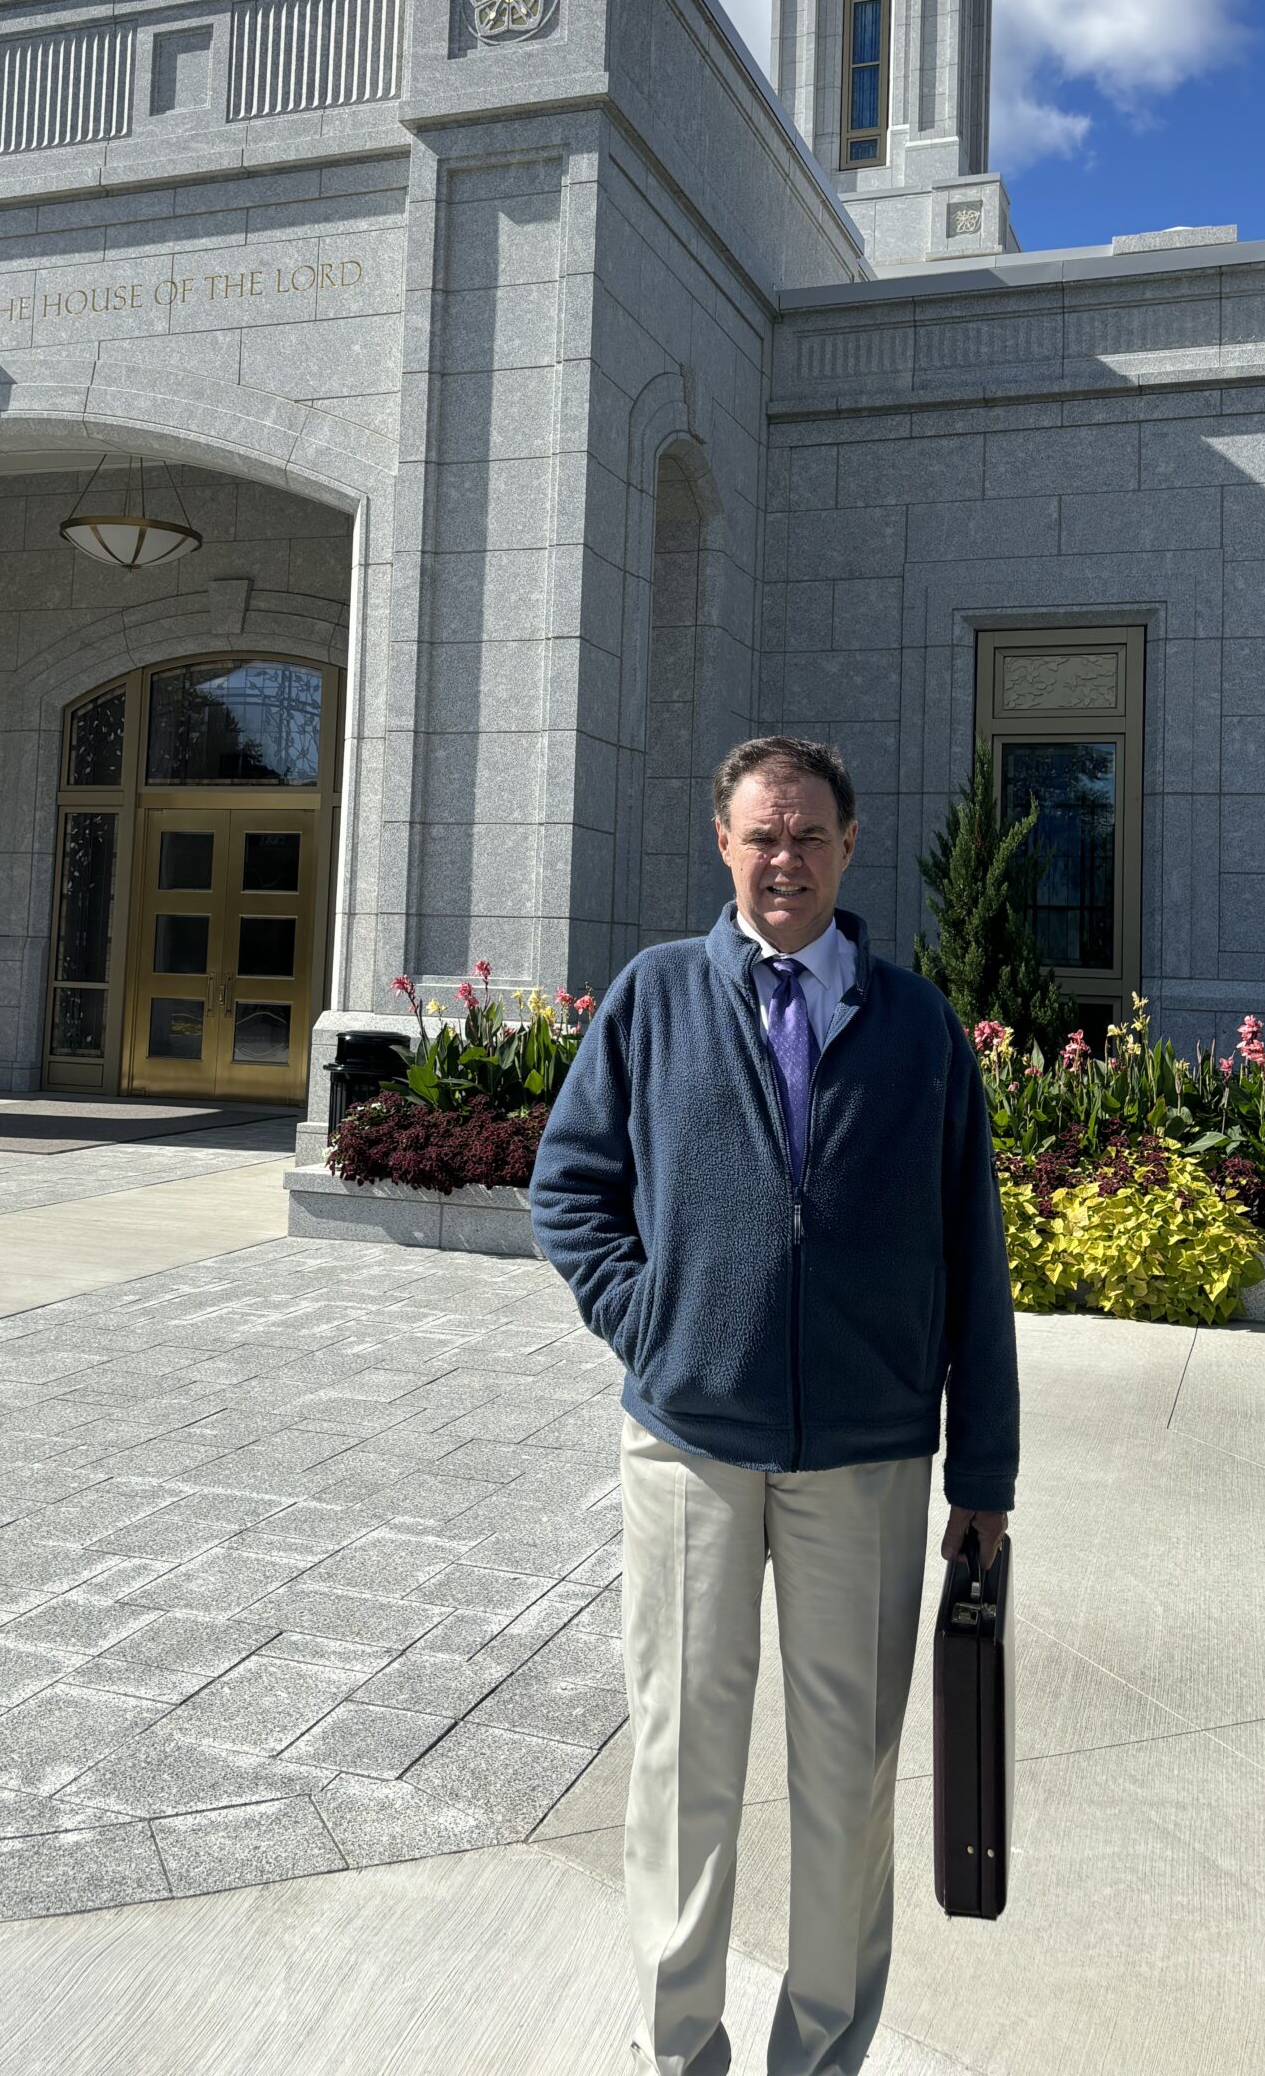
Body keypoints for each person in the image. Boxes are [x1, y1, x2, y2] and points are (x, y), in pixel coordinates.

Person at [530, 734, 1018, 2076]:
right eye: (761, 834)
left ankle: (820, 2054)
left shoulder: (916, 1025)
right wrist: (659, 1326)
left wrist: (986, 1474)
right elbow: (568, 1189)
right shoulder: (654, 995)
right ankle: (676, 2051)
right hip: (688, 1448)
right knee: (683, 1770)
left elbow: (974, 1254)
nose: (784, 856)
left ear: (848, 847)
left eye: (808, 833)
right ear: (723, 844)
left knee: (847, 1788)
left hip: (866, 1459)